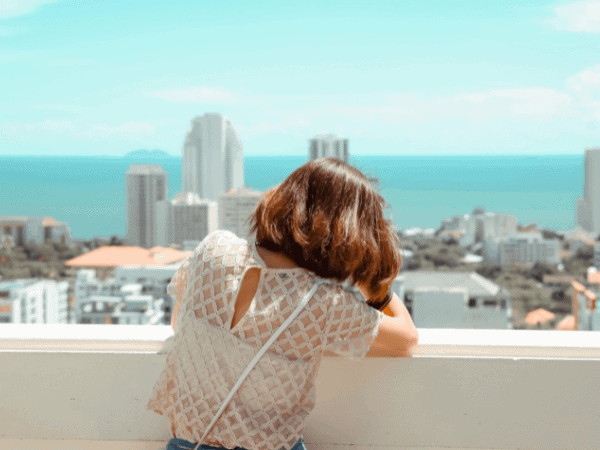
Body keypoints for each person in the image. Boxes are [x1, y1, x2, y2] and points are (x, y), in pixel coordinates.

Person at [147, 157, 419, 450]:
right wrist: (374, 286)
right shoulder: (322, 303)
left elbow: (181, 324)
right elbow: (406, 339)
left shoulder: (214, 250)